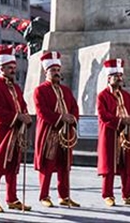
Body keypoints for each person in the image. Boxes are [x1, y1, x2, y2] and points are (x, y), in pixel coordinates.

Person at [0, 44, 31, 213]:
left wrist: (25, 116)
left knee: (13, 167)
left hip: (15, 131)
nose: (13, 70)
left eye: (14, 67)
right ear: (1, 67)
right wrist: (17, 117)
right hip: (0, 132)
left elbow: (22, 105)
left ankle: (12, 198)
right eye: (9, 67)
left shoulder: (16, 87)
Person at [32, 51, 80, 208]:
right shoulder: (40, 90)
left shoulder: (66, 91)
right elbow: (42, 111)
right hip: (49, 134)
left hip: (65, 133)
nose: (57, 73)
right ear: (46, 72)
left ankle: (64, 196)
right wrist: (61, 118)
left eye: (58, 70)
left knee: (64, 166)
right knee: (47, 165)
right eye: (53, 70)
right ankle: (44, 196)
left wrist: (72, 118)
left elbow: (74, 107)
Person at [96, 58, 130, 207]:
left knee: (127, 166)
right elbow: (103, 115)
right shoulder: (102, 96)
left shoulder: (127, 96)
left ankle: (128, 195)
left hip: (126, 134)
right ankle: (108, 195)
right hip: (110, 134)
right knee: (109, 166)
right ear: (109, 78)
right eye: (115, 76)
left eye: (120, 76)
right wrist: (122, 121)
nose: (119, 79)